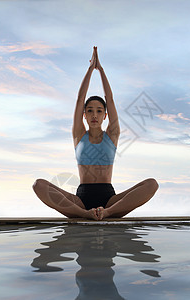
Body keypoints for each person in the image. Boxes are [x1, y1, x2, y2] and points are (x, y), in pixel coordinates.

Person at [33, 46, 158, 220]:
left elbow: (111, 100)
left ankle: (106, 212)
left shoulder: (112, 134)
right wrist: (90, 69)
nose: (94, 115)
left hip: (110, 200)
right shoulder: (79, 134)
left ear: (105, 115)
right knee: (38, 185)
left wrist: (102, 71)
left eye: (99, 111)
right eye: (90, 110)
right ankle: (85, 213)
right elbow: (79, 100)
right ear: (84, 115)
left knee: (152, 184)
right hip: (80, 200)